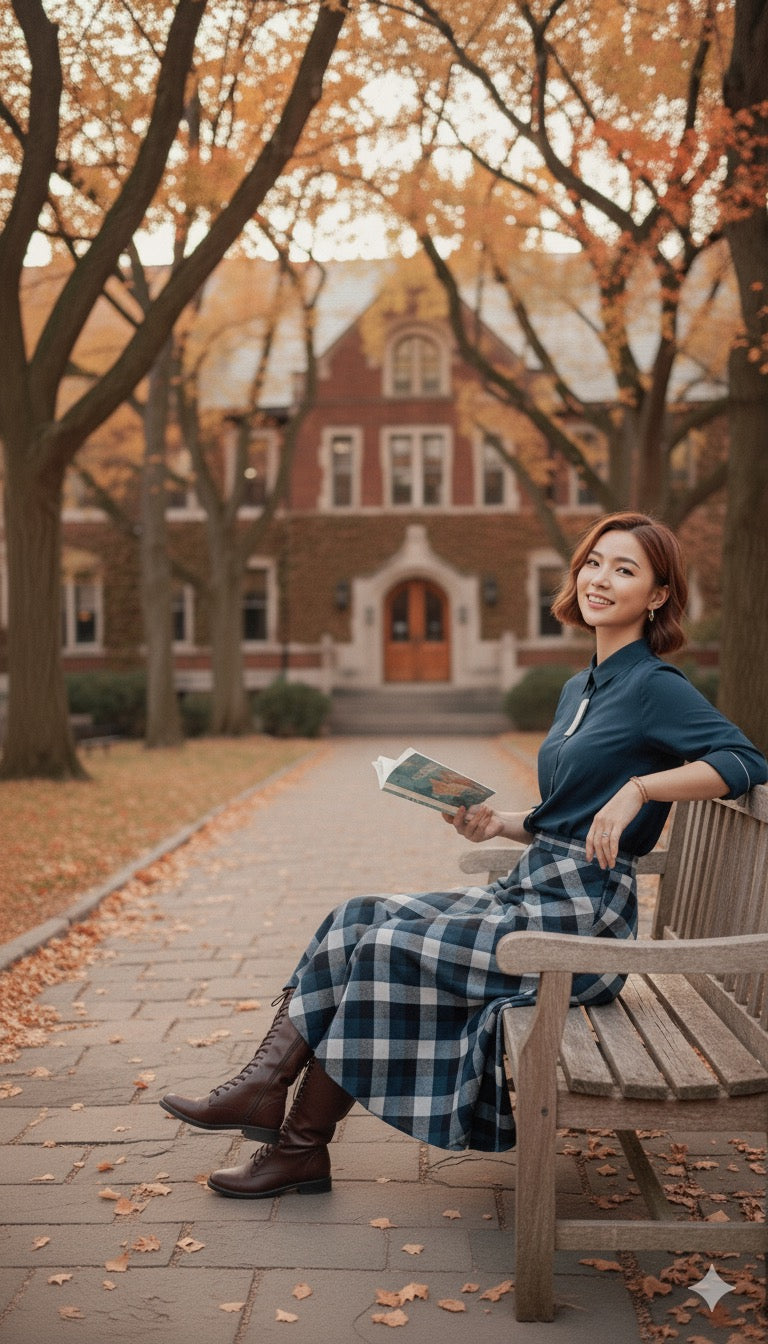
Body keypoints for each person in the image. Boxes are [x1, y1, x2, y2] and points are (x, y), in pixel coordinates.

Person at [161, 512, 767, 1199]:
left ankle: (300, 1147)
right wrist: (497, 823)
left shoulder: (655, 684)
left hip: (583, 924)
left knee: (385, 948)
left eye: (625, 569)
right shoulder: (581, 687)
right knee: (355, 917)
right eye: (595, 562)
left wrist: (642, 789)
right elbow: (560, 820)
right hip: (533, 893)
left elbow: (744, 759)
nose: (601, 578)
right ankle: (263, 1088)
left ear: (657, 595)